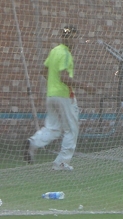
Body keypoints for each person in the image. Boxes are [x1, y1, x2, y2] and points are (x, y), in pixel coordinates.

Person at [25, 25, 96, 170]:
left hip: (51, 95)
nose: (74, 41)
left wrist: (53, 83)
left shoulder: (54, 50)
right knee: (71, 129)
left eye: (75, 38)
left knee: (53, 127)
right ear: (67, 38)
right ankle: (62, 163)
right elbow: (64, 77)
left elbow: (43, 71)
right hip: (64, 96)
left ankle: (33, 142)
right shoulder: (65, 54)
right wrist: (85, 86)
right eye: (73, 38)